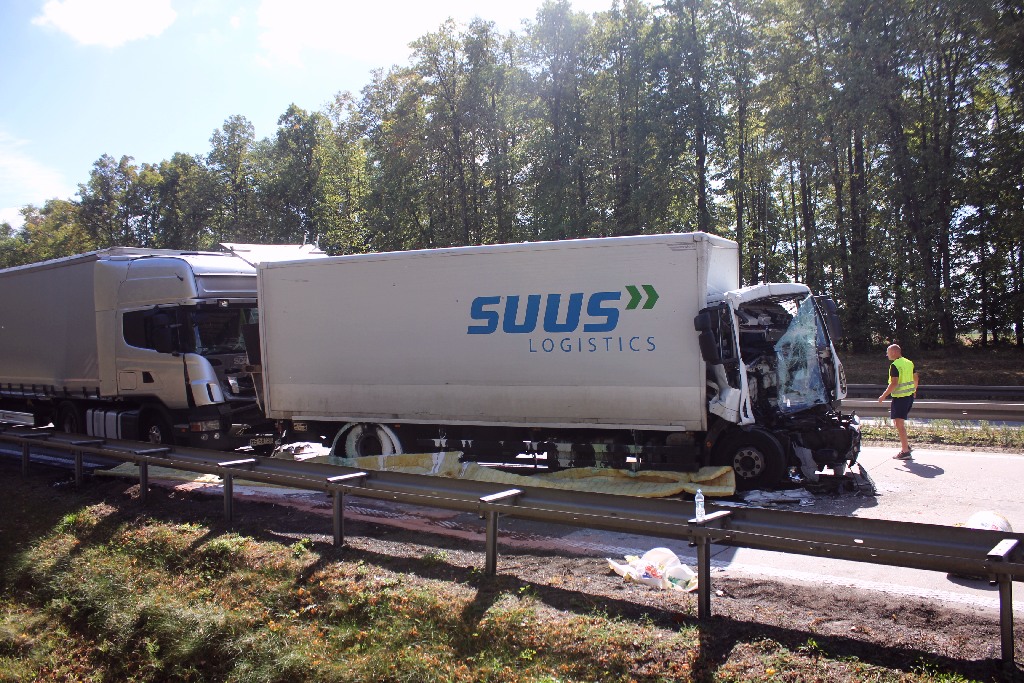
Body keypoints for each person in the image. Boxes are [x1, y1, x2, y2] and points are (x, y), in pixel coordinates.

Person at [877, 344, 919, 460]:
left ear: (894, 352)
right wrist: (914, 390)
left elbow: (894, 383)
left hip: (900, 398)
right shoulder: (909, 362)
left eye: (888, 352)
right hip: (909, 397)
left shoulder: (895, 365)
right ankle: (906, 446)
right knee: (897, 423)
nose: (887, 354)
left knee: (899, 424)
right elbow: (916, 378)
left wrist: (883, 396)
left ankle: (905, 452)